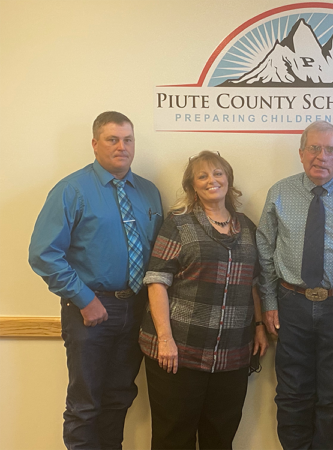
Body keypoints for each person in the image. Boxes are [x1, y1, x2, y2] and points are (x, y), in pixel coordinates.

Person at [29, 111, 163, 450]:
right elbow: (43, 253)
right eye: (112, 139)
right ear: (95, 144)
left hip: (136, 310)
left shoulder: (148, 192)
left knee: (118, 399)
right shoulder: (72, 190)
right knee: (84, 405)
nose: (122, 146)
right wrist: (85, 300)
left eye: (128, 140)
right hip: (90, 310)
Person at [257, 121, 333, 450]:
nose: (321, 157)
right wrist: (269, 302)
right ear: (301, 153)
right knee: (291, 392)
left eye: (330, 150)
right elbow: (264, 251)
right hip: (291, 303)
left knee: (331, 394)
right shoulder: (280, 193)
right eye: (314, 148)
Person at [139, 151, 268, 450]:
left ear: (229, 180)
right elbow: (156, 280)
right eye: (203, 176)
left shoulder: (248, 228)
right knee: (173, 438)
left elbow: (253, 282)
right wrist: (165, 339)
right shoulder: (179, 224)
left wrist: (259, 325)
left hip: (231, 355)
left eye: (218, 173)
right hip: (178, 352)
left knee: (220, 438)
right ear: (192, 186)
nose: (212, 180)